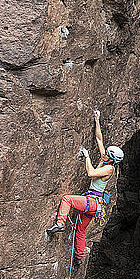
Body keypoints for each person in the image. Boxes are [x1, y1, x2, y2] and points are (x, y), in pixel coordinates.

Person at [46, 109, 124, 267]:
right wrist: (97, 121)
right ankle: (78, 258)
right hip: (94, 205)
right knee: (80, 230)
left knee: (67, 199)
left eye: (107, 154)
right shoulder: (107, 161)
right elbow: (99, 139)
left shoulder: (109, 169)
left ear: (112, 158)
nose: (104, 153)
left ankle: (60, 224)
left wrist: (87, 156)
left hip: (92, 202)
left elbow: (91, 173)